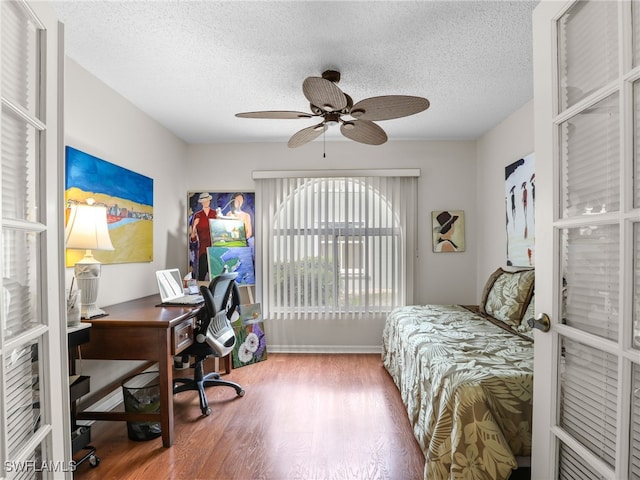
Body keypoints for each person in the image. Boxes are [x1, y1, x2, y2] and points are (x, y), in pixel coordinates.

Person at [190, 192, 217, 280]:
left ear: (209, 201)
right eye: (204, 201)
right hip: (203, 250)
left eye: (207, 200)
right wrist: (194, 227)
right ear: (201, 202)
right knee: (202, 275)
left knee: (215, 276)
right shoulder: (198, 215)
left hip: (214, 249)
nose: (206, 202)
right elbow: (193, 239)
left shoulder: (215, 214)